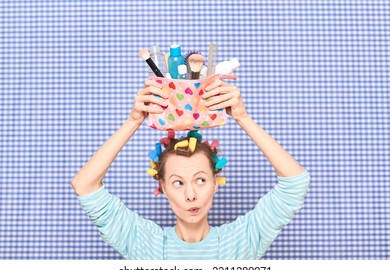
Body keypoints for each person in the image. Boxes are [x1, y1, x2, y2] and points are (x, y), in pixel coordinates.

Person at [71, 78, 310, 260]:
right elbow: (84, 185)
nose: (190, 195)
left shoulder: (242, 240)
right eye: (178, 182)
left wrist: (242, 117)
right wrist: (133, 121)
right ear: (162, 187)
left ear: (215, 183)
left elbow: (295, 181)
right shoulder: (143, 243)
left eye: (201, 180)